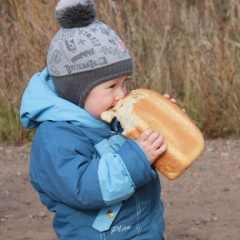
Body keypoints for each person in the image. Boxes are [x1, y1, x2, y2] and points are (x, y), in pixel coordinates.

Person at [20, 0, 174, 239]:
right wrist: (139, 156)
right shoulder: (55, 138)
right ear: (77, 91)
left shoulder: (109, 120)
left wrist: (163, 124)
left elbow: (147, 155)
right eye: (111, 86)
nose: (121, 94)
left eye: (124, 83)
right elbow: (85, 188)